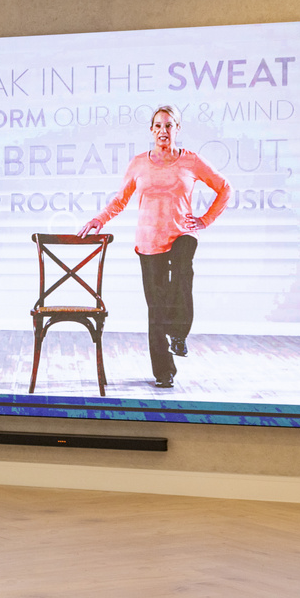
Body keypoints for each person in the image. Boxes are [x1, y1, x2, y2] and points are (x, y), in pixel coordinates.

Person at [79, 105, 232, 388]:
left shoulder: (191, 161)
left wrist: (205, 220)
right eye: (158, 126)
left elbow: (225, 187)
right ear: (151, 131)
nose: (164, 131)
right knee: (156, 308)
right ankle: (164, 372)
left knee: (183, 270)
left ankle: (179, 333)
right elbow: (120, 200)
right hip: (149, 242)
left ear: (177, 129)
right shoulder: (139, 163)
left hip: (182, 233)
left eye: (169, 126)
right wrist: (99, 219)